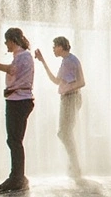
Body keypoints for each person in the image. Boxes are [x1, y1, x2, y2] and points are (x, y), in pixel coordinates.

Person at [0, 27, 35, 192]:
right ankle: (18, 177)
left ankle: (17, 179)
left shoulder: (21, 58)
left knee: (14, 141)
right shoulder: (23, 56)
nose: (5, 44)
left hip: (18, 101)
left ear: (13, 40)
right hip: (22, 100)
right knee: (15, 141)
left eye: (6, 41)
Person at [35, 36, 85, 179]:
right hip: (71, 98)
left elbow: (81, 82)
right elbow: (57, 81)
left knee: (64, 133)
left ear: (61, 47)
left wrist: (69, 88)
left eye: (54, 46)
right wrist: (43, 61)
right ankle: (74, 164)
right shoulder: (69, 60)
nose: (53, 49)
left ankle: (75, 166)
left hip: (70, 98)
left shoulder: (70, 61)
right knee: (65, 132)